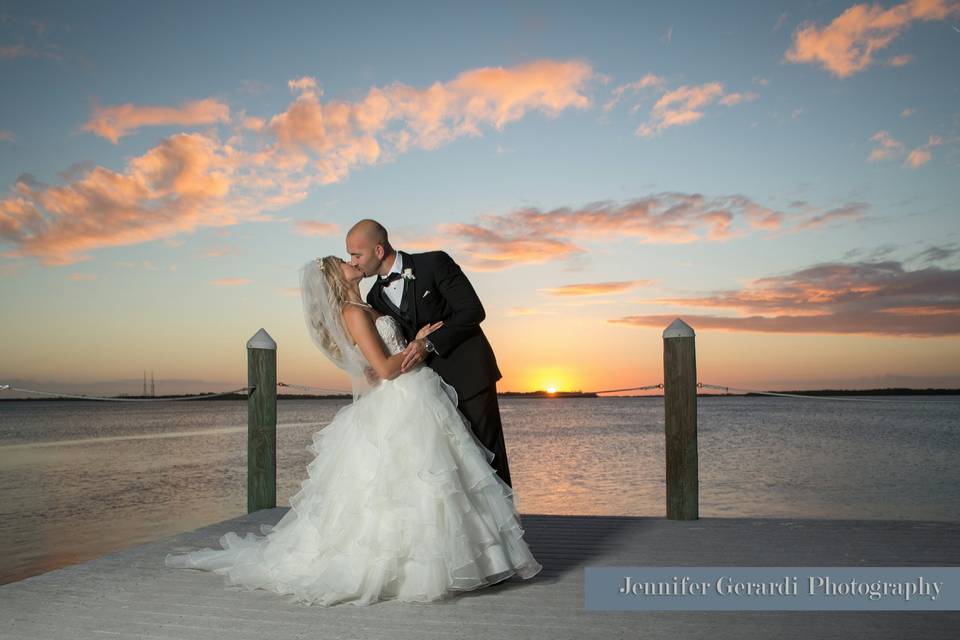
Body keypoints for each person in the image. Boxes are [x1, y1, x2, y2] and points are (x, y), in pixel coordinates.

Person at [163, 255, 541, 607]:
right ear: (333, 278)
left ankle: (463, 561)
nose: (351, 262)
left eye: (352, 256)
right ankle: (416, 569)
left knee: (431, 481)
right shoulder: (353, 312)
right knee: (412, 483)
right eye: (343, 261)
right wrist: (418, 342)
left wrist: (406, 346)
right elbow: (389, 368)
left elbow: (377, 365)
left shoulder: (370, 304)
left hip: (416, 394)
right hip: (405, 395)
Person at [346, 219, 513, 488]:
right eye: (350, 256)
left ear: (378, 250)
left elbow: (472, 311)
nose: (353, 262)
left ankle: (506, 530)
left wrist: (429, 342)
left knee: (489, 462)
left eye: (357, 254)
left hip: (468, 376)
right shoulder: (375, 298)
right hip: (427, 394)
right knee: (456, 469)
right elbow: (397, 342)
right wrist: (378, 366)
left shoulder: (434, 263)